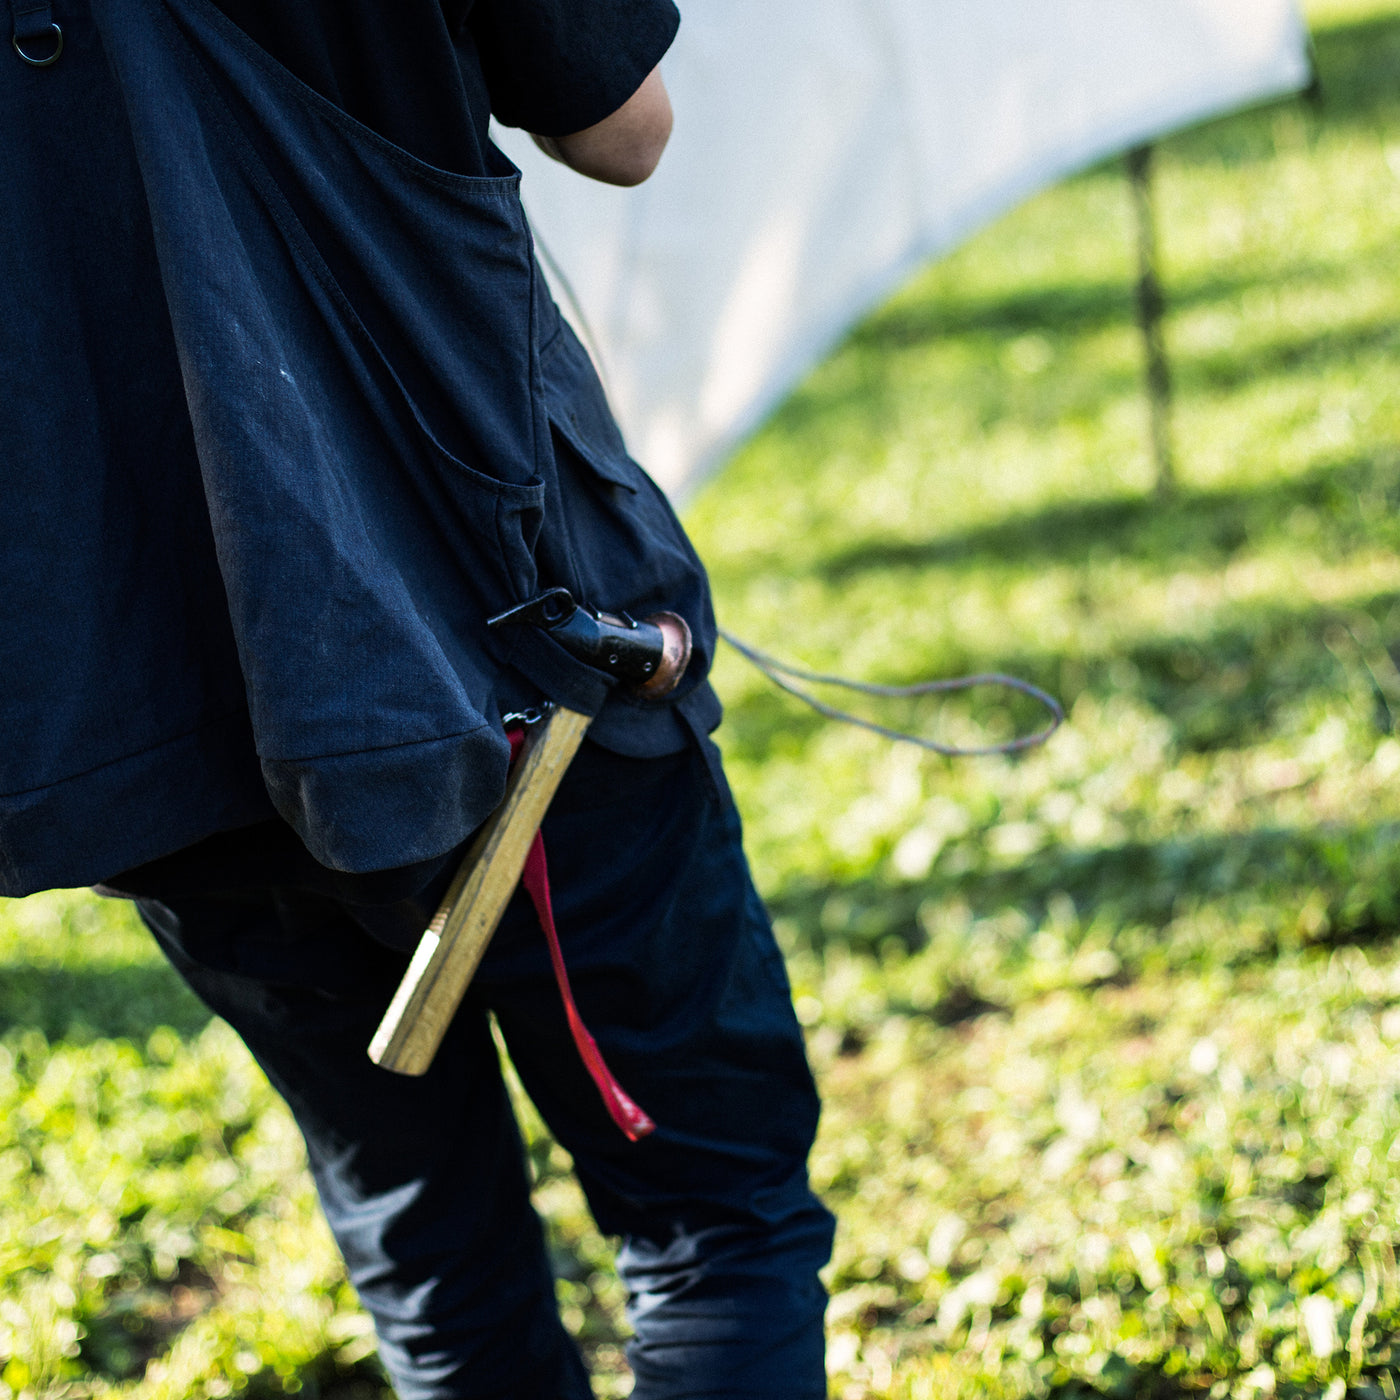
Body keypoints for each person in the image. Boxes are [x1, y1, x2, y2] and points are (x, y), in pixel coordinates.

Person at [0, 1, 834, 1397]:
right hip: (497, 634)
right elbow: (624, 131)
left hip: (136, 690)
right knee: (713, 1221)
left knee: (438, 1263)